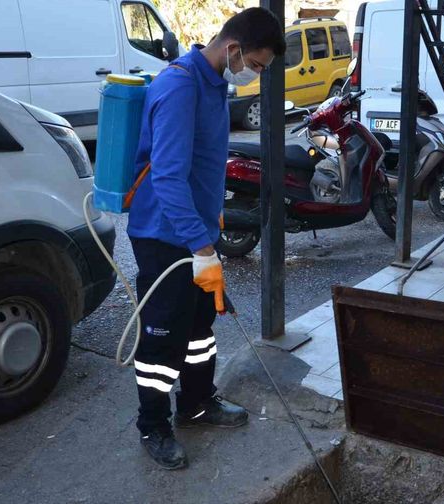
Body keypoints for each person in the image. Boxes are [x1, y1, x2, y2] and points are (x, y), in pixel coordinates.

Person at [126, 8, 285, 469]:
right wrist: (199, 247)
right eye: (254, 65)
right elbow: (169, 179)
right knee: (162, 338)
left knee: (199, 330)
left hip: (195, 234)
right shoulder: (180, 87)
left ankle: (196, 403)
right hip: (165, 236)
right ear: (233, 48)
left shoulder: (213, 85)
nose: (253, 75)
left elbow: (204, 168)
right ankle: (153, 425)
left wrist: (207, 239)